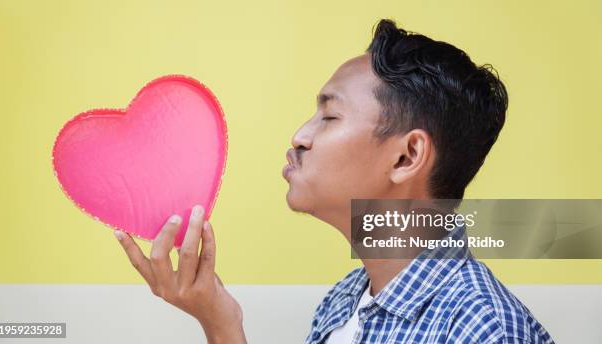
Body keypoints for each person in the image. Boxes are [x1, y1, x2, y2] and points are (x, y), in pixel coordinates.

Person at [113, 19, 555, 343]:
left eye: (330, 115)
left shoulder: (480, 328)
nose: (300, 136)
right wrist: (219, 320)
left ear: (407, 156)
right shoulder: (343, 302)